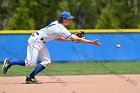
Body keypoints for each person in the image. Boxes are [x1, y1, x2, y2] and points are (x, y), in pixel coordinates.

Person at [2, 11, 101, 84]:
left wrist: (72, 38)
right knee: (30, 62)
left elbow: (58, 39)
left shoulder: (58, 25)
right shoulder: (60, 28)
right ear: (63, 19)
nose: (70, 20)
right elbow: (76, 39)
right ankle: (10, 62)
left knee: (47, 61)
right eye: (68, 18)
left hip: (40, 42)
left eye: (70, 18)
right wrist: (91, 42)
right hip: (35, 41)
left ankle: (30, 77)